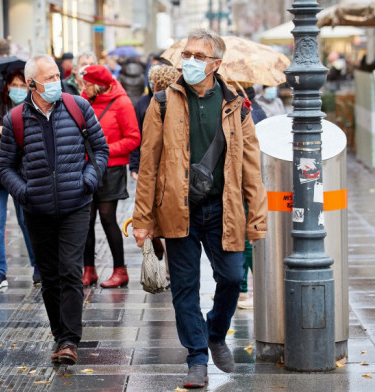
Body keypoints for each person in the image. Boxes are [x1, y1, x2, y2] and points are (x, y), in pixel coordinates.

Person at [131, 29, 267, 389]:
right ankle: (196, 359)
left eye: (198, 56)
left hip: (224, 211)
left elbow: (252, 167)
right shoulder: (162, 102)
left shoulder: (237, 107)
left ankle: (216, 332)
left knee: (233, 278)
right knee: (185, 289)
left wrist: (258, 218)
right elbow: (148, 164)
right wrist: (142, 219)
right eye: (186, 54)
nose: (189, 61)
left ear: (216, 64)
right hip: (178, 210)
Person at [0, 54, 109, 365]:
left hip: (76, 205)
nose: (55, 83)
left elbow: (101, 149)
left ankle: (70, 340)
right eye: (48, 78)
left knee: (70, 271)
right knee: (49, 276)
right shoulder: (16, 119)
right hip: (38, 209)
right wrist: (25, 192)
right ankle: (59, 334)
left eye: (57, 76)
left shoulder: (78, 107)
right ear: (31, 84)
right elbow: (5, 167)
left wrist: (88, 180)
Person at [0, 69, 39, 287]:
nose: (18, 90)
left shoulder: (34, 105)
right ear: (7, 86)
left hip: (24, 172)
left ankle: (39, 267)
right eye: (14, 85)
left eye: (23, 85)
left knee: (27, 221)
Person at [79, 65, 140, 288]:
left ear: (98, 84)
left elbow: (133, 138)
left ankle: (120, 270)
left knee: (107, 218)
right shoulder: (83, 101)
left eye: (87, 84)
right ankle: (88, 270)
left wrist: (104, 149)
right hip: (86, 168)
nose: (83, 87)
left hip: (111, 169)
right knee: (85, 220)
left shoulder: (121, 103)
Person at [129, 65, 179, 179]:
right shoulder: (143, 103)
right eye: (152, 82)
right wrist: (135, 166)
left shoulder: (181, 106)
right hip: (150, 162)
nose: (154, 88)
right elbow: (137, 134)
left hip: (173, 164)